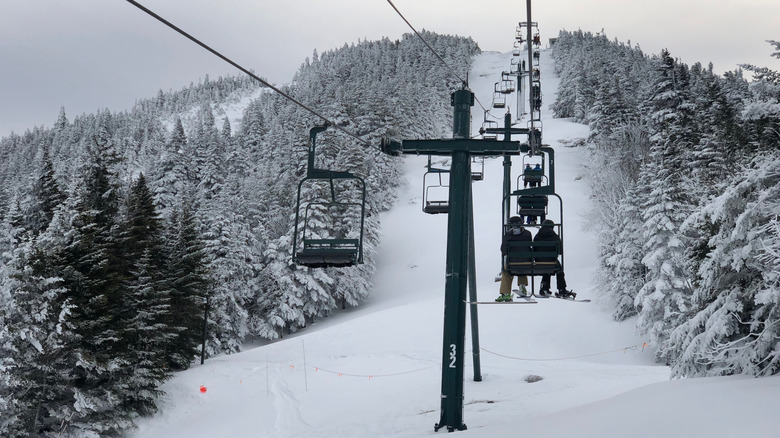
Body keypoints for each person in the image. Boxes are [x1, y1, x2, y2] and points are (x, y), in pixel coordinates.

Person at [533, 219, 575, 298]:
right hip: (551, 261)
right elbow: (560, 251)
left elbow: (534, 249)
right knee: (559, 268)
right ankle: (561, 289)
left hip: (539, 261)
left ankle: (544, 288)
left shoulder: (537, 236)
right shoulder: (555, 236)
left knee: (546, 267)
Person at [496, 216, 531, 302]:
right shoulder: (527, 234)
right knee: (522, 265)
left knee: (506, 271)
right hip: (526, 263)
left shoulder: (508, 235)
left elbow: (503, 250)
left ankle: (505, 293)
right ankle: (522, 286)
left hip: (512, 264)